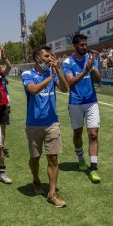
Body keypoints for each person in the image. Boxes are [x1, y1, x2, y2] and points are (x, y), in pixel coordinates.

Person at [21, 46, 68, 208]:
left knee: (53, 158)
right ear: (37, 58)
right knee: (35, 158)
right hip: (33, 124)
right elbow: (33, 90)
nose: (50, 58)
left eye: (51, 56)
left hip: (52, 123)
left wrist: (58, 72)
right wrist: (50, 77)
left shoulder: (51, 72)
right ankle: (36, 179)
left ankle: (52, 194)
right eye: (47, 56)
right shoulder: (27, 74)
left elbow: (64, 88)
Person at [62, 34, 102, 183]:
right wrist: (86, 70)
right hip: (75, 103)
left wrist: (93, 69)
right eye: (82, 45)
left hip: (91, 101)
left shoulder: (91, 59)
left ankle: (93, 168)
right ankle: (80, 159)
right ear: (75, 46)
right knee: (77, 134)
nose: (85, 47)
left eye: (86, 44)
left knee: (93, 134)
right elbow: (71, 82)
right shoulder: (67, 62)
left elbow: (98, 80)